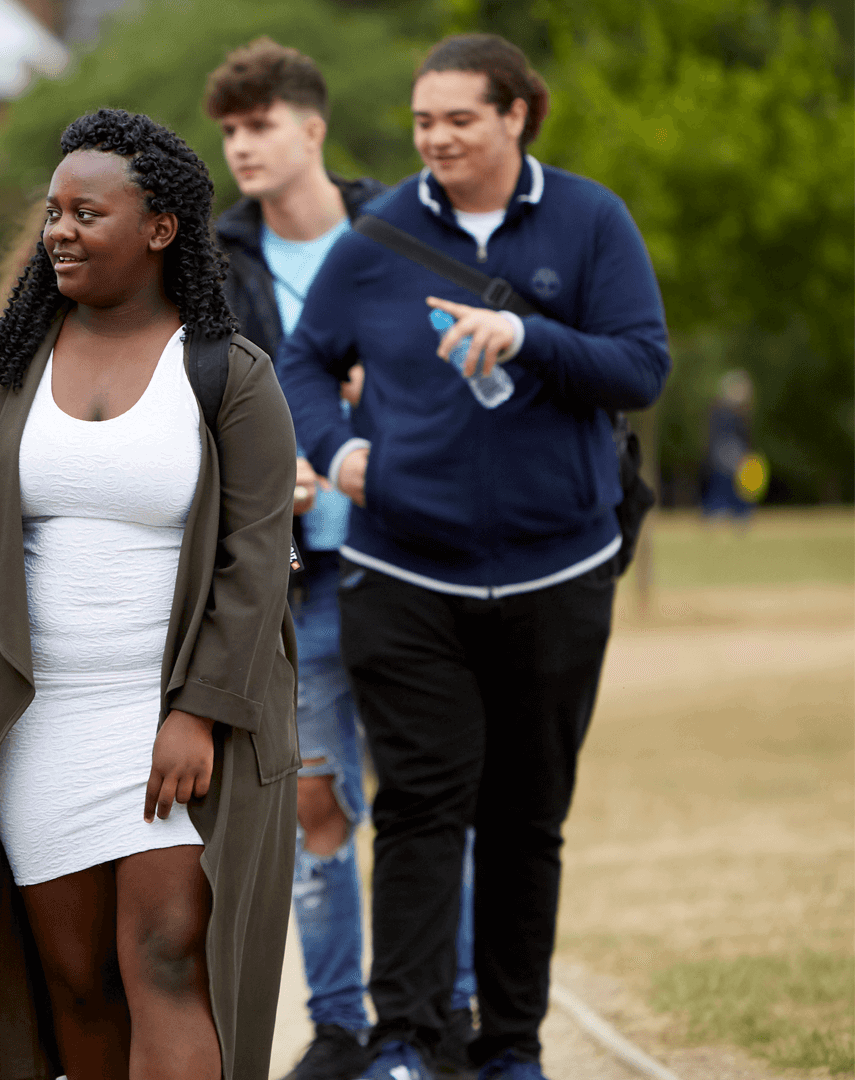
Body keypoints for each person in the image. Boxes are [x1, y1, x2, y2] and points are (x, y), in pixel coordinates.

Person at [275, 35, 671, 1080]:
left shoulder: (593, 223)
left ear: (516, 115)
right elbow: (304, 361)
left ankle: (509, 1048)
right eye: (423, 121)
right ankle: (403, 1043)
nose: (437, 138)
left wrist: (529, 340)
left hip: (558, 572)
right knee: (417, 810)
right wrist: (341, 451)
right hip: (407, 576)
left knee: (525, 821)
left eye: (459, 118)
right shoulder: (377, 237)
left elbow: (641, 366)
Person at [0, 108, 300, 1080]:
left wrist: (199, 712)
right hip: (37, 721)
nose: (59, 231)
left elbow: (254, 566)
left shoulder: (226, 375)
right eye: (54, 212)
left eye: (89, 212)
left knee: (167, 956)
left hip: (171, 718)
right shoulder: (7, 367)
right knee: (76, 978)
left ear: (160, 227)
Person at [204, 38, 477, 1080]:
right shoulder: (216, 264)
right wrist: (272, 470)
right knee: (314, 803)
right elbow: (202, 406)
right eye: (230, 131)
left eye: (260, 125)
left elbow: (464, 379)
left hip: (410, 566)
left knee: (423, 800)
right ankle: (340, 1027)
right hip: (293, 582)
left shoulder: (405, 233)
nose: (242, 147)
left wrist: (377, 417)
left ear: (311, 129)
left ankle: (446, 1016)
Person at [702, 369, 757, 525]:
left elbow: (745, 439)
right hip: (722, 456)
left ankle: (739, 512)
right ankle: (717, 511)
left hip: (734, 457)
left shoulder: (741, 414)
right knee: (722, 482)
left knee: (736, 484)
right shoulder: (720, 411)